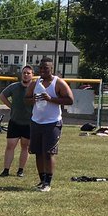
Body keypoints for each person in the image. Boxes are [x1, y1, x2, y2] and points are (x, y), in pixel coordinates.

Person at [24, 58, 74, 192]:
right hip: (36, 121)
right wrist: (32, 100)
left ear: (51, 69)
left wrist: (51, 99)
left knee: (48, 153)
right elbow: (26, 100)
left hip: (52, 123)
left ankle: (48, 183)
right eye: (40, 68)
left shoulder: (58, 83)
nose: (42, 71)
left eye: (45, 68)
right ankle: (42, 180)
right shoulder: (35, 83)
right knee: (38, 153)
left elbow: (70, 100)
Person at [0, 64, 35, 177]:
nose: (26, 75)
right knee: (10, 145)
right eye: (24, 73)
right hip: (15, 121)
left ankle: (20, 170)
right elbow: (2, 96)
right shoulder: (14, 86)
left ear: (32, 75)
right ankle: (6, 170)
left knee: (25, 146)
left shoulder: (36, 88)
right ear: (21, 74)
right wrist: (11, 106)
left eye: (28, 73)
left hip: (29, 123)